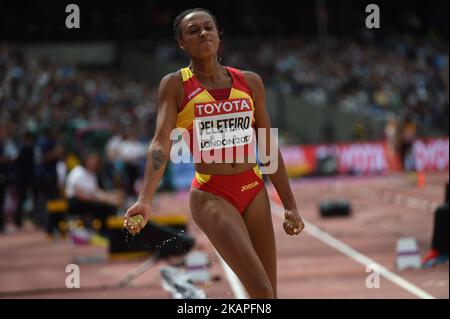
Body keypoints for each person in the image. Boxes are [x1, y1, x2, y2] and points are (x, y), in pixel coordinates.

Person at [124, 8, 304, 299]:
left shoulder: (250, 82)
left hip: (253, 188)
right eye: (193, 30)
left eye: (209, 27)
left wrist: (290, 204)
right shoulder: (176, 85)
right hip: (212, 193)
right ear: (181, 43)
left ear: (219, 35)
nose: (203, 33)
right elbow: (160, 143)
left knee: (269, 293)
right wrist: (145, 199)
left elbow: (267, 146)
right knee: (259, 290)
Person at [65, 151, 125, 235]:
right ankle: (104, 232)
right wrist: (101, 200)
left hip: (88, 201)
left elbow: (96, 191)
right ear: (86, 160)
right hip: (76, 202)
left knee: (111, 205)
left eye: (96, 161)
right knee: (105, 208)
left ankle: (111, 232)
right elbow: (78, 194)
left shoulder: (92, 174)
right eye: (92, 160)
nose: (94, 163)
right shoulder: (78, 172)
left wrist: (111, 195)